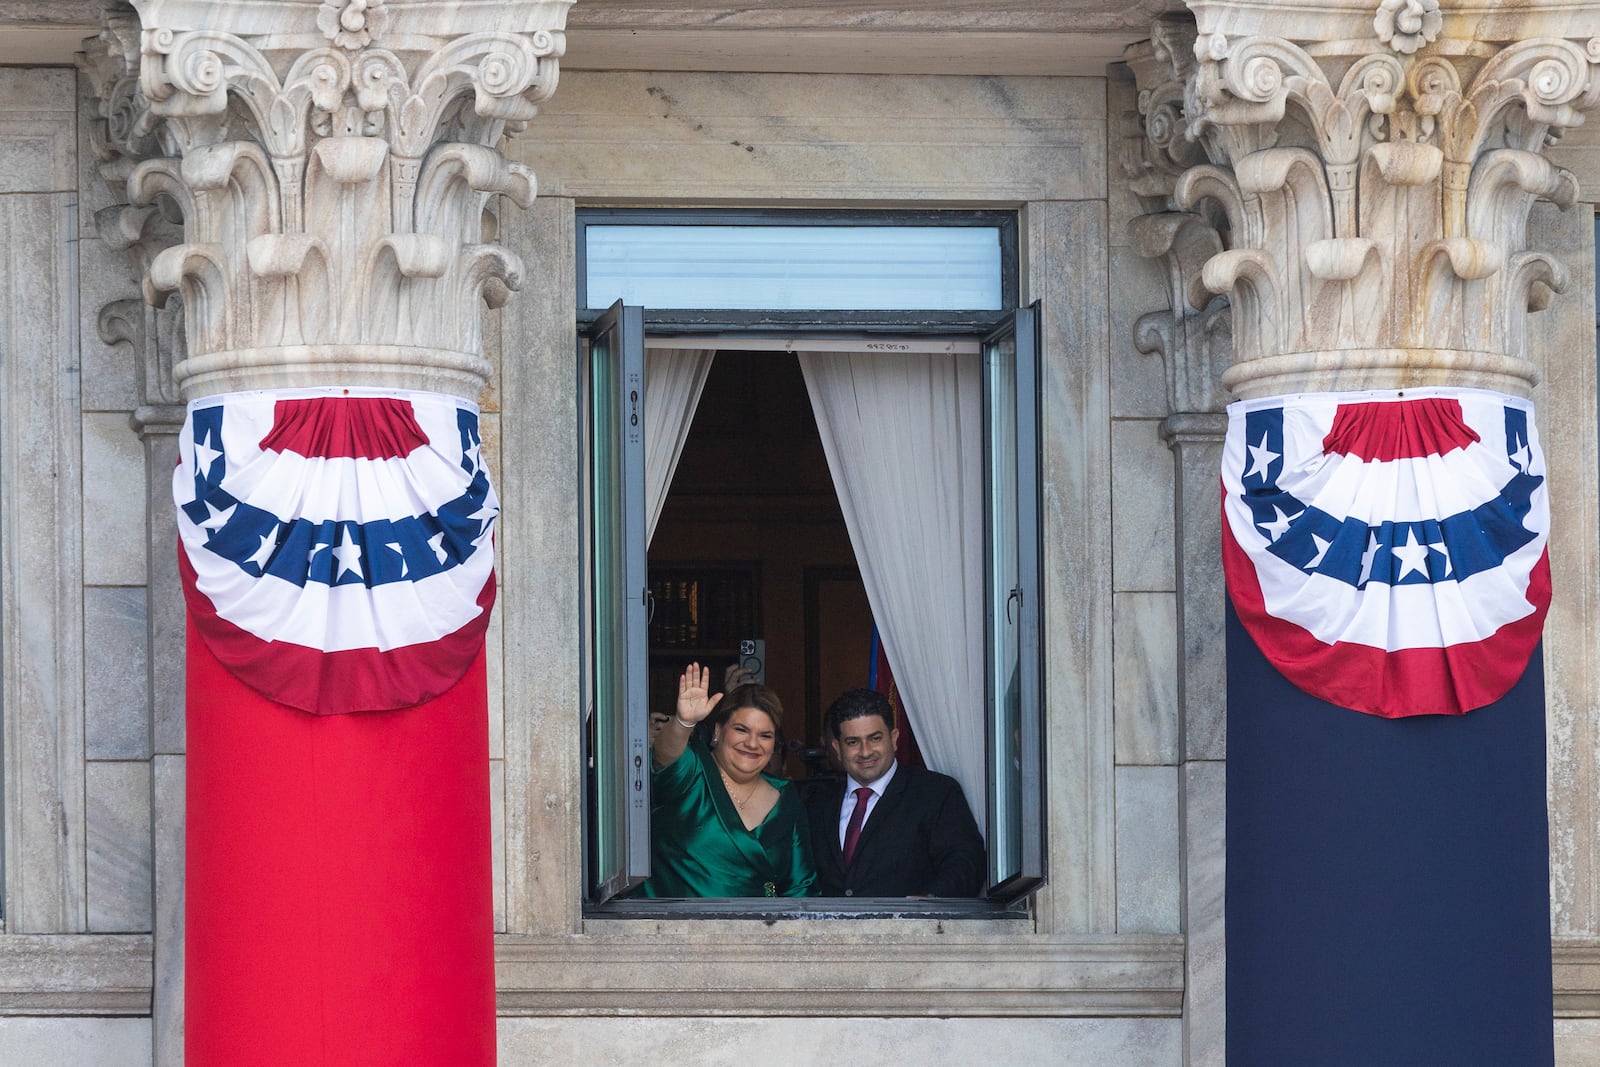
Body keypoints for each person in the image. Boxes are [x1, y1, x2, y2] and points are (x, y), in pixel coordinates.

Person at [635, 663, 817, 898]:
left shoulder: (785, 797)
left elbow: (801, 886)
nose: (752, 743)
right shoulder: (693, 770)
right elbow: (665, 756)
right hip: (675, 930)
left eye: (765, 735)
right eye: (741, 730)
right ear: (718, 731)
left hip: (760, 931)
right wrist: (683, 723)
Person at [805, 688, 985, 897]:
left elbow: (966, 861)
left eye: (875, 738)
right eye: (853, 742)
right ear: (837, 748)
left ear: (894, 738)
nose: (865, 751)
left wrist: (931, 903)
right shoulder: (817, 806)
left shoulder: (935, 793)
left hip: (912, 928)